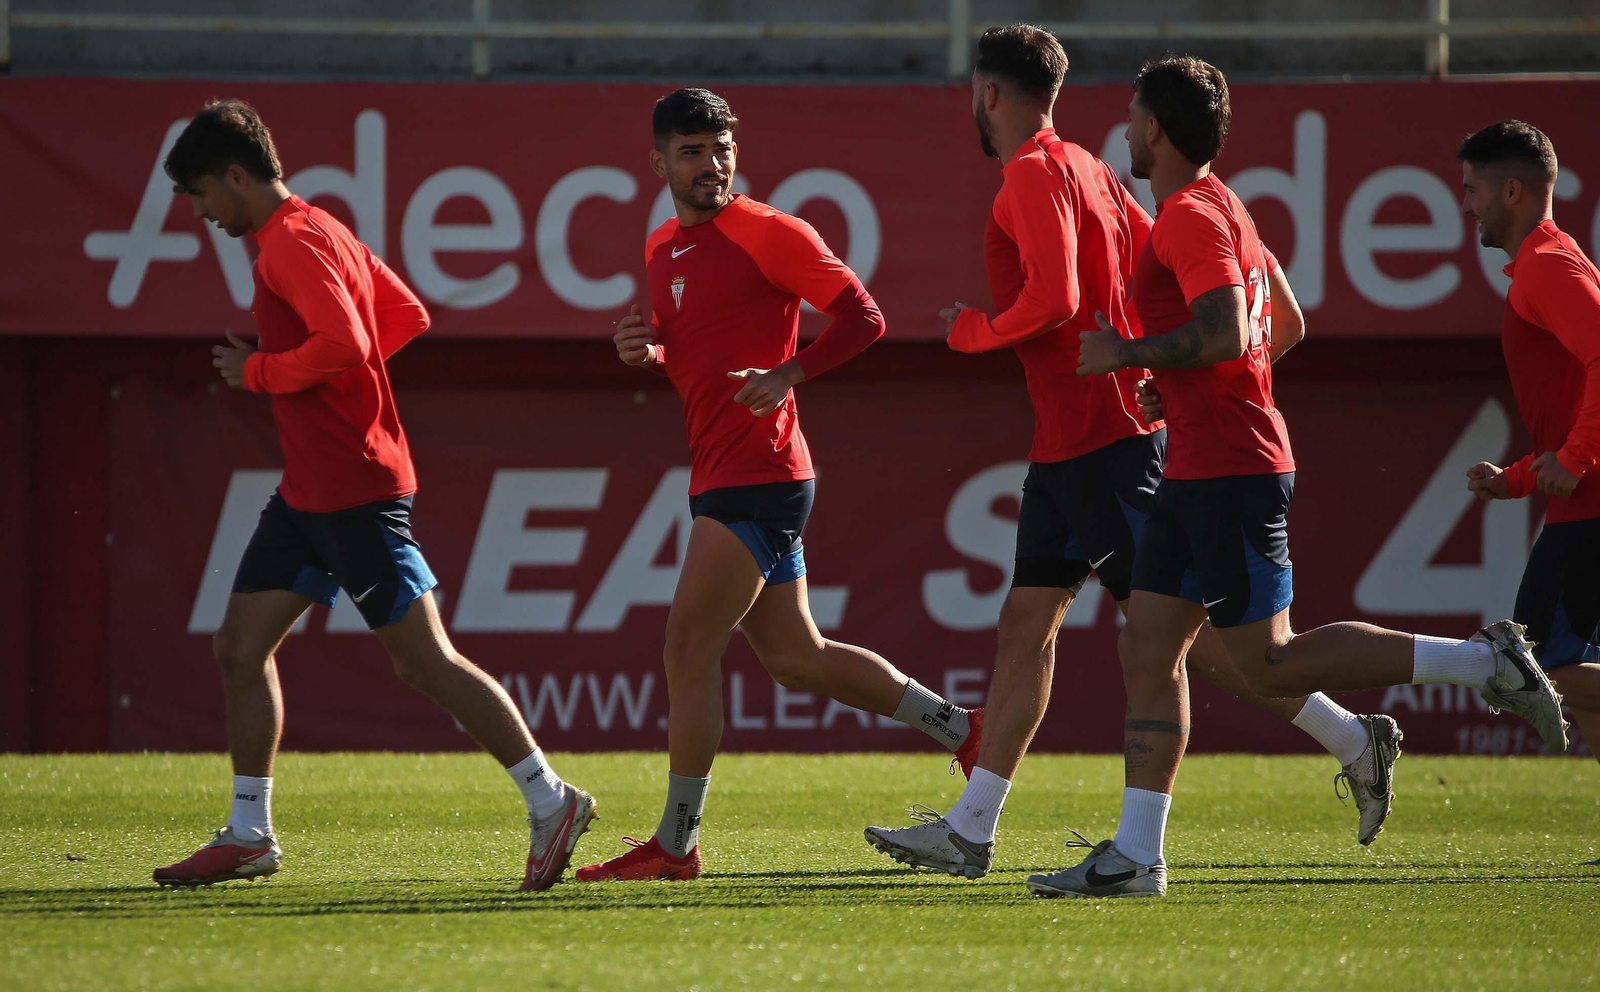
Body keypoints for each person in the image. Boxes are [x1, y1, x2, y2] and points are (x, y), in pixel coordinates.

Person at [861, 25, 1404, 881]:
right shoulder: (1092, 169)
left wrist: (977, 331)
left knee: (1195, 646)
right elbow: (1164, 267)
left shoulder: (1035, 174)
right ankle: (971, 828)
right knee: (1025, 625)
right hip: (1072, 442)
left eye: (974, 91)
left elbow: (1061, 296)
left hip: (1105, 443)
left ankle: (1348, 735)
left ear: (989, 93)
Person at [1036, 57, 1567, 899]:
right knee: (1147, 643)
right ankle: (1138, 856)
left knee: (1272, 663)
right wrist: (1177, 388)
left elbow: (1224, 329)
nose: (1127, 130)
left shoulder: (1189, 217)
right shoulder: (1223, 207)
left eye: (1135, 117)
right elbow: (1283, 321)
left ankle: (1481, 662)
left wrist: (1131, 353)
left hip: (1233, 472)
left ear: (1157, 131)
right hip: (1200, 466)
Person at [150, 99, 594, 892]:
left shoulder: (286, 242)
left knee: (425, 662)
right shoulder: (323, 229)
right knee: (239, 647)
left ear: (236, 176)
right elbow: (404, 316)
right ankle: (249, 831)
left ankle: (551, 798)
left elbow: (351, 341)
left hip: (353, 488)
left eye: (200, 195)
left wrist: (262, 372)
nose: (201, 213)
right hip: (309, 492)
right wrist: (332, 381)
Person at [578, 88, 980, 882]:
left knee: (688, 645)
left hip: (758, 474)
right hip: (729, 469)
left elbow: (864, 316)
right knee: (798, 658)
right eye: (692, 150)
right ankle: (962, 729)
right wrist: (646, 353)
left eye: (722, 148)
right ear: (659, 162)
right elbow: (687, 353)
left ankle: (676, 843)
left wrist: (790, 372)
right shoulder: (663, 246)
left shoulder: (769, 230)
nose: (712, 164)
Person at [1459, 119, 1600, 763]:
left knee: (1528, 664)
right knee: (1576, 684)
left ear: (1511, 192)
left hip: (1589, 504)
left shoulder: (1545, 267)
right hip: (1582, 499)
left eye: (1473, 191)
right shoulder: (1548, 262)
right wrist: (1515, 479)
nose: (1467, 206)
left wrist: (1574, 459)